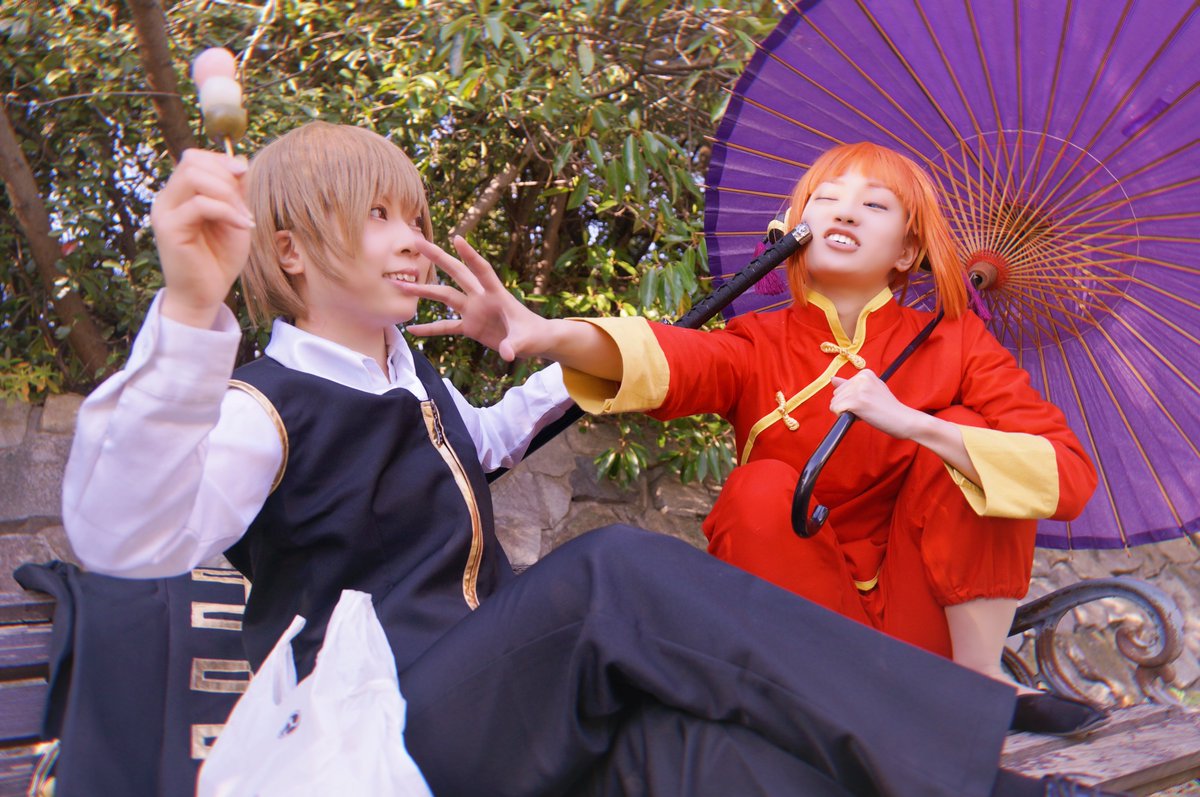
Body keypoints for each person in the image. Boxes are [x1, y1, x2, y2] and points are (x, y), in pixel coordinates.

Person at [63, 122, 1120, 797]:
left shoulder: (408, 377)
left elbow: (486, 438)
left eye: (415, 216)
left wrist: (545, 342)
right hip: (378, 736)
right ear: (290, 250)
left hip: (495, 709)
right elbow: (129, 539)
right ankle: (979, 726)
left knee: (712, 758)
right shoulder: (262, 405)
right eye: (378, 216)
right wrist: (190, 308)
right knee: (614, 569)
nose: (413, 239)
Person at [399, 142, 1103, 738]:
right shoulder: (758, 340)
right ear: (794, 228)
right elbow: (674, 358)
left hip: (926, 629)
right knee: (759, 487)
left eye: (875, 205)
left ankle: (979, 684)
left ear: (909, 250)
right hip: (809, 637)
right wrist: (547, 333)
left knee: (976, 439)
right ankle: (805, 709)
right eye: (825, 199)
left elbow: (1066, 475)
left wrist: (916, 423)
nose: (845, 212)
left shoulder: (959, 342)